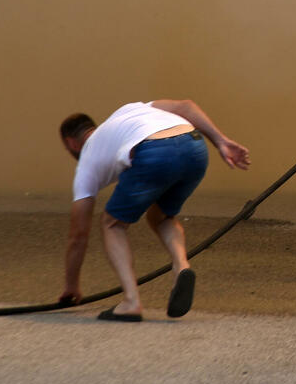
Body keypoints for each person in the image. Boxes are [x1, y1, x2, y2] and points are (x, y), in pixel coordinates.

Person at [58, 99, 250, 321]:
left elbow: (78, 236)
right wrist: (221, 141)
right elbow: (186, 106)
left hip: (153, 150)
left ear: (71, 143)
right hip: (194, 146)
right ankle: (181, 267)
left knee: (112, 224)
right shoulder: (129, 111)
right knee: (162, 216)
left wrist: (71, 285)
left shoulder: (87, 162)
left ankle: (131, 302)